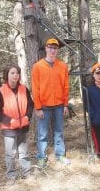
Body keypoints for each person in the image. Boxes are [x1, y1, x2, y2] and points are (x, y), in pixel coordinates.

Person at [32, 38, 70, 168]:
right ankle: (42, 157)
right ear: (46, 48)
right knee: (42, 133)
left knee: (59, 131)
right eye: (50, 47)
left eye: (55, 48)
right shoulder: (38, 66)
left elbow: (66, 86)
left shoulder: (63, 66)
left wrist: (65, 104)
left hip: (59, 105)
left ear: (57, 50)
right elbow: (35, 88)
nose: (52, 50)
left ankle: (60, 155)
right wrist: (38, 107)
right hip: (44, 106)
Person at [0, 64, 34, 184]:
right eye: (12, 73)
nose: (15, 75)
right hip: (9, 129)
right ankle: (11, 175)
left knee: (24, 153)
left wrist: (27, 116)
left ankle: (26, 173)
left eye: (17, 73)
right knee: (10, 154)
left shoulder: (24, 89)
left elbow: (30, 105)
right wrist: (9, 120)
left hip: (23, 127)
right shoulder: (0, 92)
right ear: (7, 75)